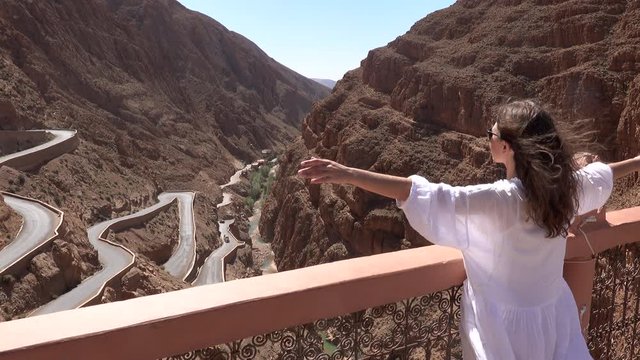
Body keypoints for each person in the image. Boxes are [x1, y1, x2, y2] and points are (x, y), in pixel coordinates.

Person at [297, 100, 640, 360]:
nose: (487, 138)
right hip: (554, 316)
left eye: (491, 133)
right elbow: (604, 175)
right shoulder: (565, 188)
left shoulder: (501, 199)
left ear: (506, 147)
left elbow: (423, 195)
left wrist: (348, 173)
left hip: (503, 331)